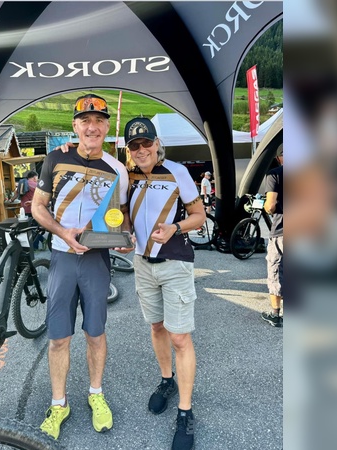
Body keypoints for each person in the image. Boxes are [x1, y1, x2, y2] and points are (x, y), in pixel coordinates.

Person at [30, 93, 131, 440]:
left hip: (96, 261)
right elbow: (38, 208)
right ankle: (59, 404)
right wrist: (62, 232)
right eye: (85, 120)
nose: (92, 126)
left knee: (95, 334)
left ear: (106, 127)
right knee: (59, 338)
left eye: (99, 120)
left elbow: (120, 215)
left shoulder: (118, 169)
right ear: (74, 125)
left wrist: (120, 236)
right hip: (61, 257)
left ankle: (96, 395)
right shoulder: (55, 160)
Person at [124, 117, 205, 450]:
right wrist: (123, 232)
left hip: (174, 263)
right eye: (135, 146)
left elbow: (199, 216)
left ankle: (185, 412)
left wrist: (176, 228)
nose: (141, 150)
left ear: (157, 144)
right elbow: (124, 213)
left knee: (180, 337)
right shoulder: (126, 176)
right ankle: (167, 380)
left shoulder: (177, 171)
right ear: (129, 151)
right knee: (157, 328)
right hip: (142, 264)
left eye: (147, 143)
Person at [260, 145, 283, 327]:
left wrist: (267, 207)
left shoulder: (275, 174)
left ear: (279, 158)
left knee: (276, 270)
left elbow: (270, 205)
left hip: (284, 230)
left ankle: (275, 315)